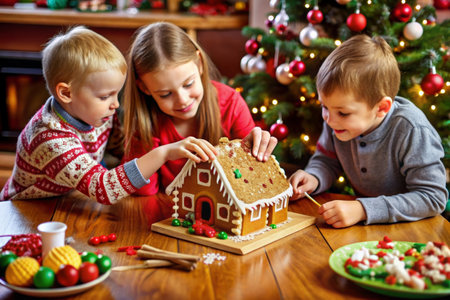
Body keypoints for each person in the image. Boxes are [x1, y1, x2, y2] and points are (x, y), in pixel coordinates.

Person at [0, 26, 217, 204]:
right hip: (23, 212)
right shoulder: (49, 138)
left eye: (116, 94)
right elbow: (104, 189)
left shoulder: (98, 114)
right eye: (105, 96)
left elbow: (120, 148)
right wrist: (163, 154)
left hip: (64, 201)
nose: (115, 104)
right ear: (66, 93)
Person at [289, 35, 448, 228]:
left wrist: (363, 209)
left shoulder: (411, 129)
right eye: (324, 107)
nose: (329, 119)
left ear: (381, 107)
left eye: (343, 112)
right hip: (367, 230)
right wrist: (313, 177)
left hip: (414, 230)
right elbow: (326, 161)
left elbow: (432, 198)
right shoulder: (336, 120)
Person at [122, 22, 277, 195]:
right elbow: (143, 192)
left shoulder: (230, 103)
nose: (182, 100)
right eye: (165, 94)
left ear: (200, 63)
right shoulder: (146, 121)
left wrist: (256, 151)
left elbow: (254, 176)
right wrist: (163, 154)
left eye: (188, 84)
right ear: (144, 88)